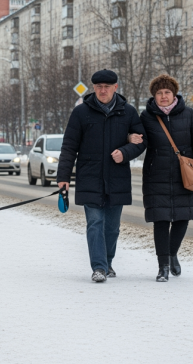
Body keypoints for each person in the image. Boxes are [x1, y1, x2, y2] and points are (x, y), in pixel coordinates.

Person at [56, 69, 147, 283]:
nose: (102, 90)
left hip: (117, 177)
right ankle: (98, 267)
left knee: (112, 227)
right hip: (90, 176)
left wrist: (125, 153)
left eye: (107, 87)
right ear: (93, 88)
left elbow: (142, 141)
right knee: (95, 223)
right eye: (98, 87)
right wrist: (64, 177)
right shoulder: (81, 113)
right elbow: (69, 146)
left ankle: (107, 262)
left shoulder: (128, 112)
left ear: (116, 87)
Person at [128, 74, 193, 282]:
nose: (163, 96)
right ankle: (163, 266)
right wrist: (130, 138)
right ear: (154, 95)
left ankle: (172, 252)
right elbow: (140, 142)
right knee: (161, 219)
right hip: (156, 175)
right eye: (159, 93)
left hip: (184, 175)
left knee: (182, 219)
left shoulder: (189, 115)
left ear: (174, 94)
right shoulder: (146, 117)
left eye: (167, 92)